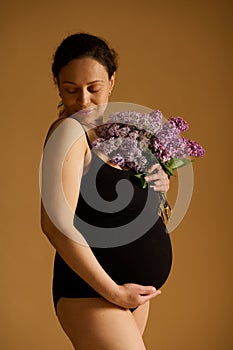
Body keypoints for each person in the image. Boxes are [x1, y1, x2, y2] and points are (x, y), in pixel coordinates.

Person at [40, 33, 172, 350]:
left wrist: (157, 181)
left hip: (131, 293)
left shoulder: (111, 135)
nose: (83, 100)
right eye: (71, 89)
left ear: (111, 82)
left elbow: (120, 208)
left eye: (94, 88)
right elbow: (55, 226)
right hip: (93, 291)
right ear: (58, 84)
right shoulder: (68, 131)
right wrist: (113, 292)